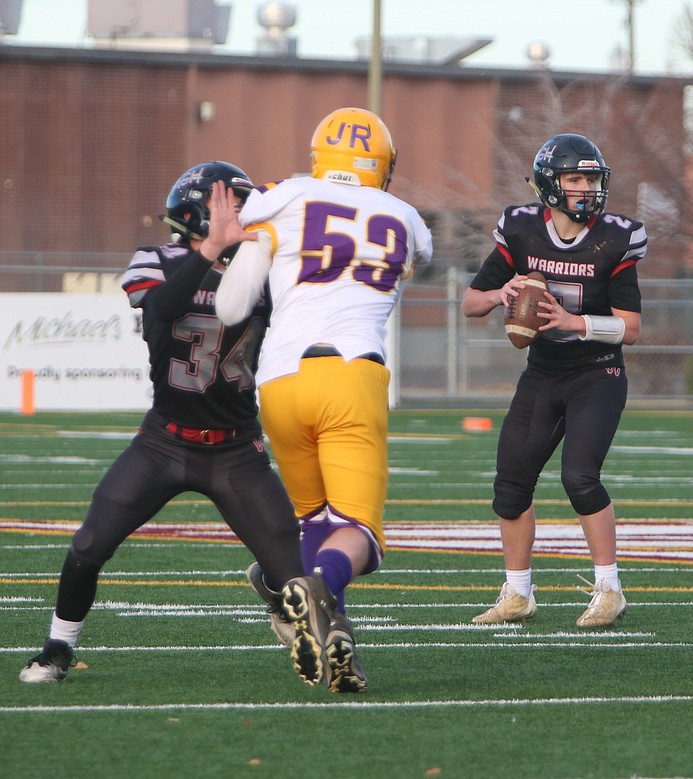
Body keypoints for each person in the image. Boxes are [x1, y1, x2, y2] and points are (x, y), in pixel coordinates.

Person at [19, 162, 307, 684]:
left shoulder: (264, 270)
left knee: (294, 576)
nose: (244, 217)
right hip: (164, 442)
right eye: (234, 206)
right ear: (200, 211)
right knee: (88, 547)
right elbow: (160, 307)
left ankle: (274, 593)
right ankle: (57, 649)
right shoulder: (156, 259)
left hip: (237, 448)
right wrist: (211, 250)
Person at [215, 107, 434, 693]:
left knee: (313, 518)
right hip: (351, 375)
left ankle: (318, 618)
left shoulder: (280, 197)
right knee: (360, 532)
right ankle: (317, 594)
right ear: (382, 166)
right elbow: (419, 255)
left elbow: (232, 308)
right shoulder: (405, 217)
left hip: (280, 381)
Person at [462, 133, 646, 629]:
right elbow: (470, 303)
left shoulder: (616, 237)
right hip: (543, 373)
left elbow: (631, 328)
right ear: (550, 183)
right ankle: (517, 593)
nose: (587, 189)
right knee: (510, 485)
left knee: (579, 477)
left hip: (597, 372)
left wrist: (572, 323)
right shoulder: (520, 229)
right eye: (576, 179)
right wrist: (501, 291)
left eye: (592, 179)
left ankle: (610, 588)